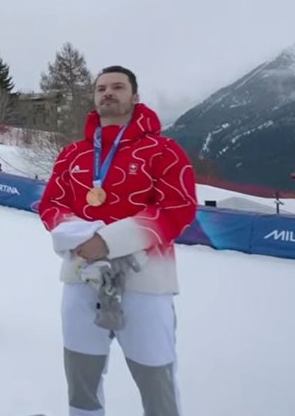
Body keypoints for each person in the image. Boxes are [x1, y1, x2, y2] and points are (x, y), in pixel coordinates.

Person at [38, 65, 197, 416]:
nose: (108, 93)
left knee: (156, 381)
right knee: (81, 380)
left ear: (135, 97)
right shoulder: (73, 154)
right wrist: (82, 238)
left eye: (118, 87)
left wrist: (108, 242)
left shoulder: (164, 151)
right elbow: (51, 204)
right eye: (101, 88)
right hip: (82, 277)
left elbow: (178, 209)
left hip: (146, 282)